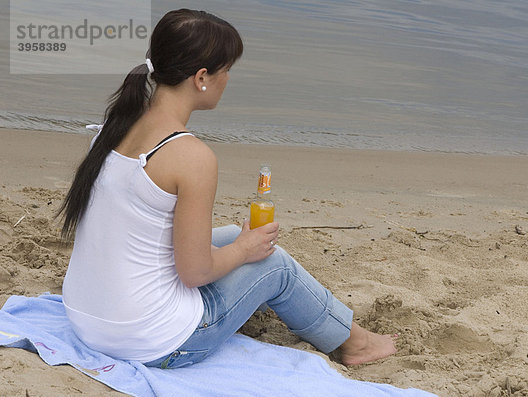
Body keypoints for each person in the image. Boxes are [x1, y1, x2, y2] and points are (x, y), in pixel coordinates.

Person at [57, 9, 396, 369]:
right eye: (227, 69)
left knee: (237, 235)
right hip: (149, 341)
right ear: (202, 77)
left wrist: (239, 245)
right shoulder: (190, 155)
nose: (228, 78)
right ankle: (355, 344)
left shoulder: (116, 123)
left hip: (85, 319)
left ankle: (318, 318)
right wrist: (244, 251)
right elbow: (195, 273)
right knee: (274, 265)